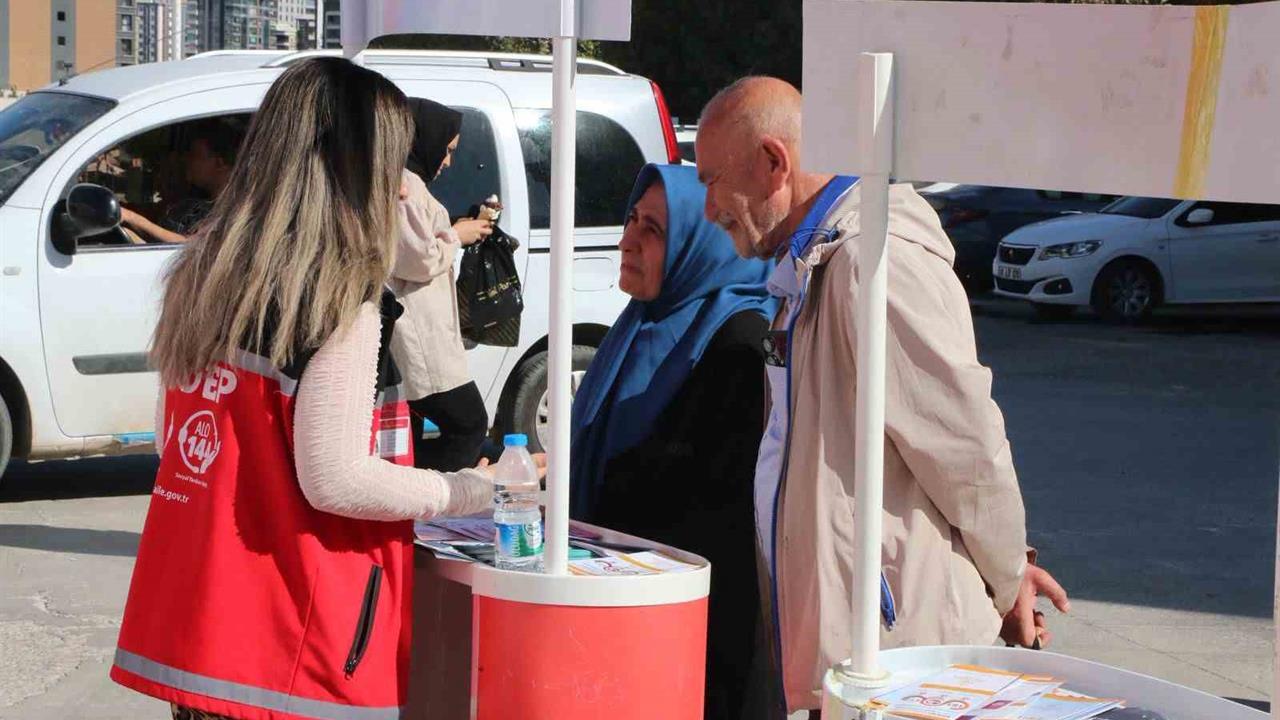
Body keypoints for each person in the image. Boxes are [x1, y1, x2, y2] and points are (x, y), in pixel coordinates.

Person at [110, 58, 518, 720]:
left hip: (208, 629)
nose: (405, 190)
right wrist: (474, 490)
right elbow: (336, 480)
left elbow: (172, 437)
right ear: (356, 165)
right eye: (391, 164)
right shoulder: (339, 295)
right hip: (293, 637)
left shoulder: (205, 272)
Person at [695, 77, 1070, 717]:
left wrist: (1008, 576)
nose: (707, 208)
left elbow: (965, 447)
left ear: (773, 162)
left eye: (711, 180)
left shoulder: (873, 261)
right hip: (862, 657)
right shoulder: (821, 260)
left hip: (898, 661)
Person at [570, 164, 778, 720]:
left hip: (699, 637)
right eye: (631, 220)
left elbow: (711, 509)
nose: (628, 240)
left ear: (696, 244)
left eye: (653, 230)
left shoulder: (739, 344)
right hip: (625, 608)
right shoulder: (640, 325)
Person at [390, 97, 494, 472]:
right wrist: (455, 235)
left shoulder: (406, 182)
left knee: (410, 436)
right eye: (447, 150)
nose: (448, 161)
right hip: (417, 334)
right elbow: (417, 258)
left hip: (420, 330)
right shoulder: (403, 185)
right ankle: (439, 499)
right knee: (468, 424)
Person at [120, 116, 244, 244]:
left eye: (194, 155)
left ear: (219, 163)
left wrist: (130, 218)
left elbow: (189, 247)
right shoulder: (191, 204)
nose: (186, 161)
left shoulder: (234, 211)